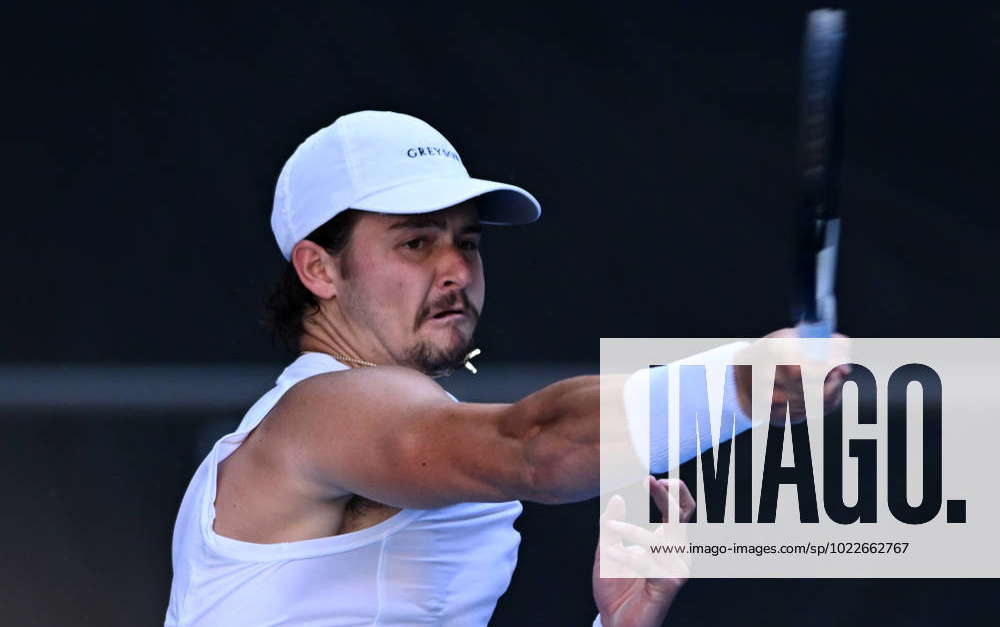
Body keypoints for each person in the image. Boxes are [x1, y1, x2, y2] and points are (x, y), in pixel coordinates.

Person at [165, 110, 843, 626]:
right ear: (319, 269)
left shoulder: (378, 427)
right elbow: (535, 446)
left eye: (467, 242)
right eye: (415, 242)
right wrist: (738, 385)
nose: (456, 269)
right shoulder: (321, 411)